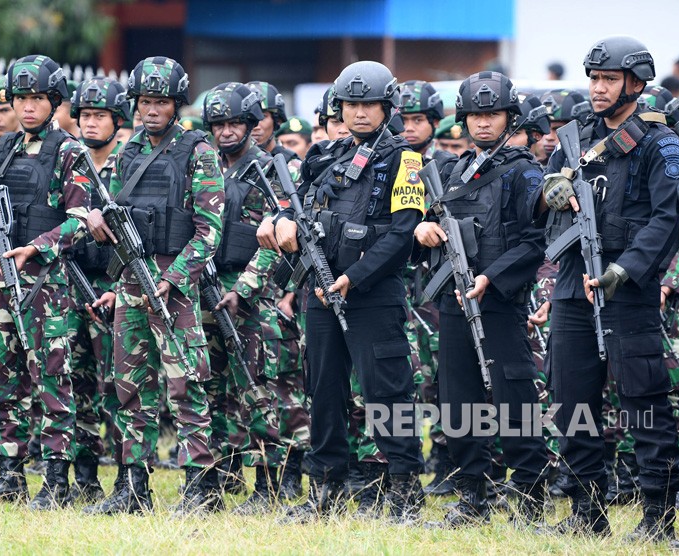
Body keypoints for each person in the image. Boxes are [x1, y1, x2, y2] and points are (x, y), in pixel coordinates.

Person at [537, 36, 679, 540]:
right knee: (570, 398)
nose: (598, 89)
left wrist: (627, 270)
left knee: (643, 400)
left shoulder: (659, 142)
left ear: (636, 84)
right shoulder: (576, 137)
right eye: (594, 79)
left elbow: (667, 219)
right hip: (573, 287)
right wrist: (549, 188)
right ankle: (586, 509)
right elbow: (545, 191)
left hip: (627, 288)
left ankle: (657, 517)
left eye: (609, 79)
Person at [268, 60, 426, 523]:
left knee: (387, 391)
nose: (359, 113)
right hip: (318, 289)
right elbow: (292, 209)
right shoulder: (324, 157)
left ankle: (403, 489)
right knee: (324, 388)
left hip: (371, 293)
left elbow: (402, 233)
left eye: (369, 104)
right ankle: (326, 489)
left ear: (386, 106)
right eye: (351, 104)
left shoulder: (406, 159)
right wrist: (282, 224)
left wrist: (354, 278)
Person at [83, 56, 225, 515]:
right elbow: (120, 220)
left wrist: (173, 278)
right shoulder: (127, 153)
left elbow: (210, 232)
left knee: (186, 385)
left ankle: (200, 485)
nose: (151, 110)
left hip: (175, 286)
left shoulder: (199, 151)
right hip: (130, 281)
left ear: (177, 103)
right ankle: (133, 485)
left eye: (161, 102)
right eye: (144, 102)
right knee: (129, 386)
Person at [415, 71, 549, 529]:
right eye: (476, 115)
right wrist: (424, 230)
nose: (483, 123)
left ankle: (530, 494)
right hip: (454, 300)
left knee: (514, 401)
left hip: (498, 301)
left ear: (510, 118)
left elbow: (535, 242)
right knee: (457, 401)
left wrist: (492, 277)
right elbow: (422, 225)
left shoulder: (525, 171)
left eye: (492, 115)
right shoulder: (454, 170)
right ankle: (472, 493)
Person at [0, 54, 90, 510]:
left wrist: (40, 246)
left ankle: (56, 481)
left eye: (37, 98)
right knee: (1, 379)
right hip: (0, 280)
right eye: (21, 99)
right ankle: (11, 474)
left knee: (52, 380)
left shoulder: (69, 150)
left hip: (45, 285)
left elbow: (82, 220)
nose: (27, 107)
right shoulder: (2, 149)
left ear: (54, 101)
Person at [200, 81, 287, 514]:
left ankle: (271, 483)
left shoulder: (271, 170)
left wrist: (244, 290)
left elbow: (279, 240)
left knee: (258, 391)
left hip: (252, 296)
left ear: (252, 124)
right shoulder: (206, 168)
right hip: (206, 291)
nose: (227, 131)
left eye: (235, 122)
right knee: (210, 389)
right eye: (218, 124)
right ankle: (218, 477)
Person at [63, 76, 131, 506]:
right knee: (77, 382)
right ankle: (84, 477)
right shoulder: (68, 164)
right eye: (85, 115)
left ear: (116, 121)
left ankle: (128, 478)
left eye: (99, 116)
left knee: (121, 386)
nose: (90, 123)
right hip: (71, 285)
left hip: (115, 284)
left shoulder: (128, 164)